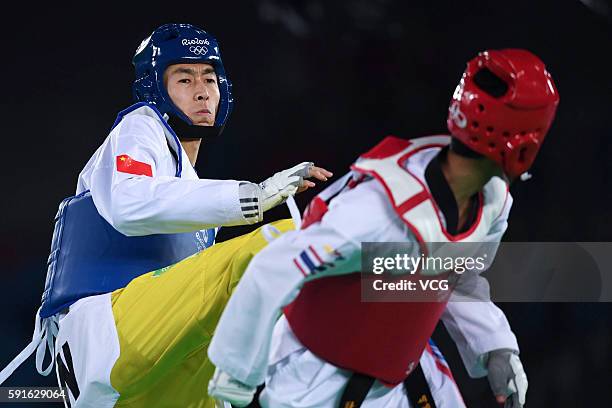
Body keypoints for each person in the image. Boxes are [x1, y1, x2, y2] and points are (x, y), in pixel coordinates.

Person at [0, 23, 331, 407]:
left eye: (210, 77)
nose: (203, 90)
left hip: (149, 374)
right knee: (287, 241)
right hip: (104, 331)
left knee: (299, 275)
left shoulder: (190, 196)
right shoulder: (139, 127)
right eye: (185, 78)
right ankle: (409, 265)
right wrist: (253, 195)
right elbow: (130, 201)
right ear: (156, 88)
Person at [207, 48, 560, 407]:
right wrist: (237, 374)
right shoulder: (378, 210)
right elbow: (273, 268)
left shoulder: (494, 203)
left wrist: (494, 344)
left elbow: (456, 273)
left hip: (403, 376)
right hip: (309, 381)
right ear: (523, 145)